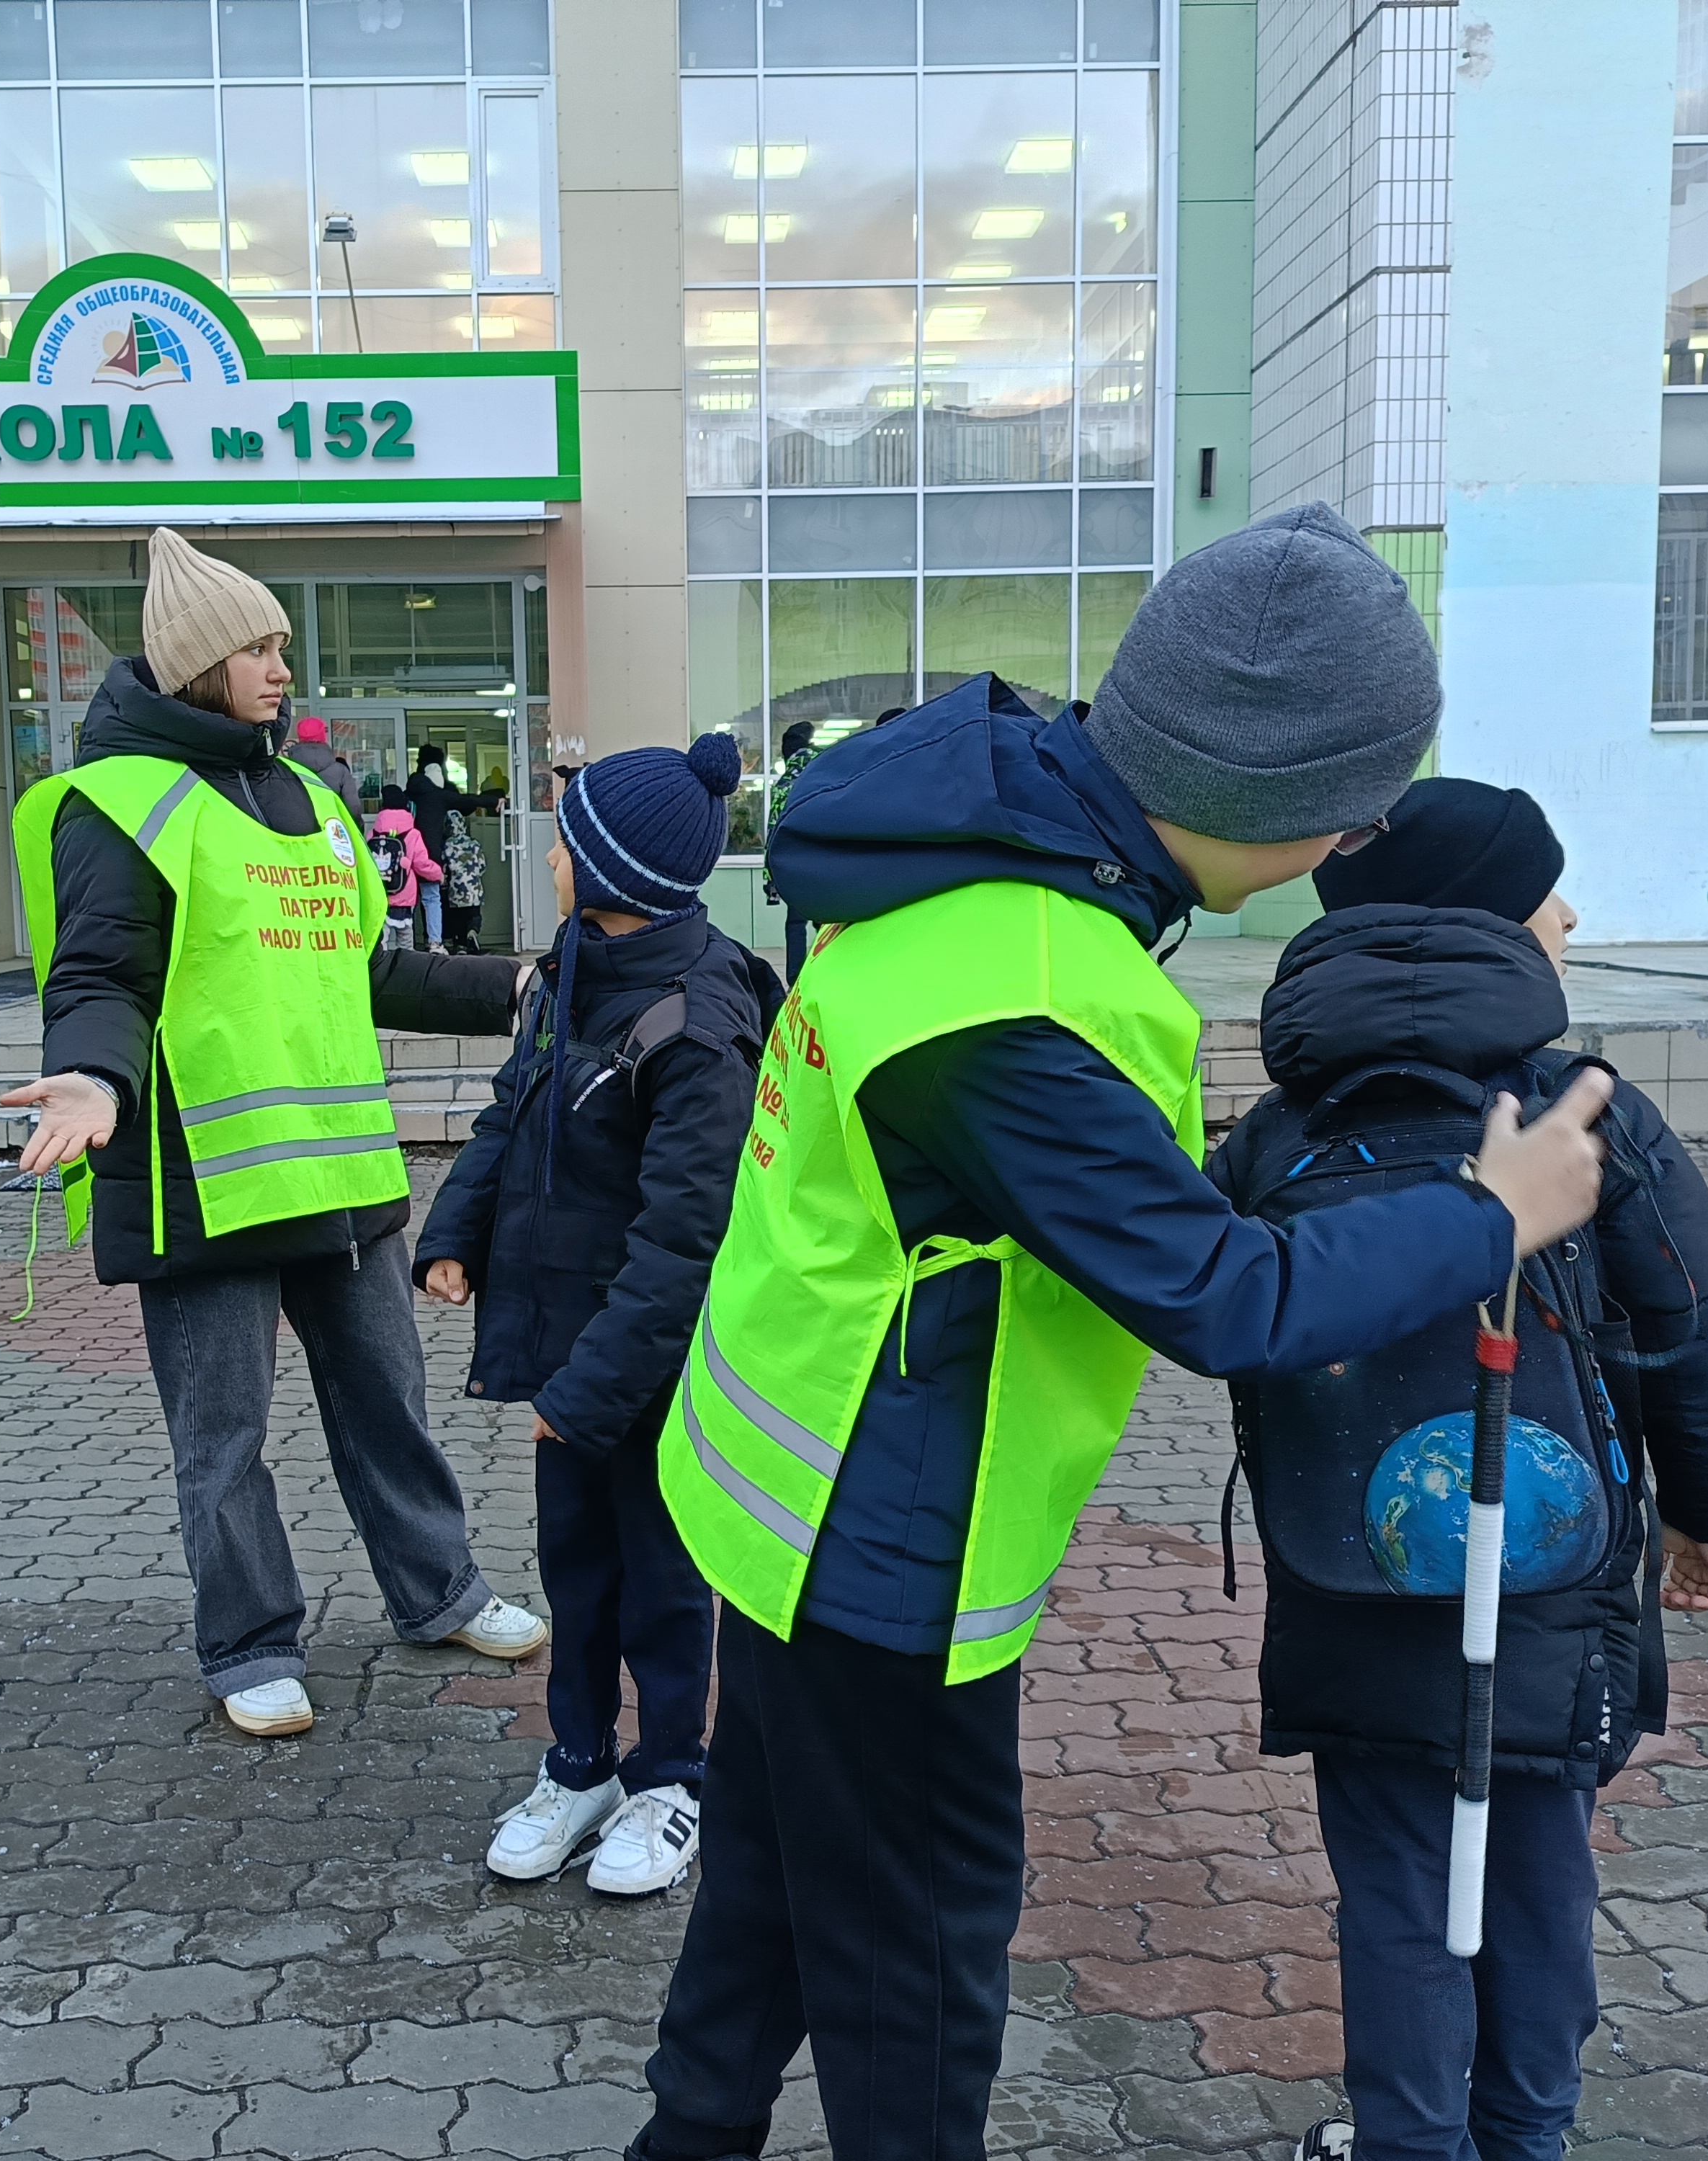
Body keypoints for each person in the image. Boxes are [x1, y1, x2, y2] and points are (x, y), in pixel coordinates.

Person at [626, 504, 1618, 2161]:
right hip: (880, 1551)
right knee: (916, 1967)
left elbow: (1100, 1203)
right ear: (1271, 792)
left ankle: (689, 2134)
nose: (1353, 836)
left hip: (774, 1490)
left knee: (779, 1886)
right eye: (1350, 802)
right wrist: (1489, 1210)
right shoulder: (1025, 989)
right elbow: (1229, 1299)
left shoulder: (969, 870)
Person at [1212, 778, 1708, 2161]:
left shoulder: (1281, 1130)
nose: (1569, 914)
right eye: (1546, 892)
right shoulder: (1586, 1111)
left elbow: (1218, 1310)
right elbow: (1696, 1324)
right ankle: (1524, 2141)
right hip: (1553, 1597)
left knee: (1398, 1889)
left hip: (1345, 1576)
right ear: (1486, 927)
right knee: (1533, 1870)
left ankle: (1410, 2146)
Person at [1, 529, 549, 1741]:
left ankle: (438, 1588)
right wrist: (90, 1079)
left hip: (339, 1173)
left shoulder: (312, 795)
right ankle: (250, 1645)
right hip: (203, 1187)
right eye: (254, 645)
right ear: (195, 663)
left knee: (388, 1404)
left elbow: (364, 969)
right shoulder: (119, 805)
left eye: (281, 644)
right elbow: (97, 975)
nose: (277, 665)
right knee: (224, 1440)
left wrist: (513, 987)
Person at [416, 735, 772, 1896]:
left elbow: (687, 1243)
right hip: (573, 1352)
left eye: (567, 834)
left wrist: (581, 1398)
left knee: (662, 1578)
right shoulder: (573, 971)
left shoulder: (699, 1021)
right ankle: (580, 1766)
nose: (552, 852)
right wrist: (454, 1232)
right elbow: (512, 1114)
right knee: (577, 1573)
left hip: (646, 1373)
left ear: (612, 868)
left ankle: (672, 1778)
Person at [762, 720, 823, 986]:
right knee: (829, 922)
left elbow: (773, 830)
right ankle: (829, 970)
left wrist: (771, 876)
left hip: (794, 864)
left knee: (795, 923)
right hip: (825, 862)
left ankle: (795, 981)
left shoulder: (784, 785)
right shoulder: (824, 773)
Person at [406, 746, 484, 948]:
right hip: (437, 852)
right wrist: (492, 800)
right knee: (439, 899)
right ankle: (443, 940)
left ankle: (413, 941)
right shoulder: (442, 790)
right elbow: (465, 804)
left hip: (409, 852)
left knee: (413, 899)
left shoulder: (411, 792)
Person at [371, 783, 445, 952]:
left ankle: (381, 968)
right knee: (405, 939)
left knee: (381, 938)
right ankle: (406, 967)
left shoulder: (373, 833)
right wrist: (438, 873)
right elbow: (422, 864)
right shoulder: (412, 834)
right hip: (403, 894)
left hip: (381, 894)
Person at [285, 713, 364, 823]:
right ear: (323, 737)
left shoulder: (285, 769)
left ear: (300, 737)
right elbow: (353, 807)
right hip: (332, 831)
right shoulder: (340, 771)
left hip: (297, 832)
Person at [440, 799, 493, 954]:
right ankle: (473, 932)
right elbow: (482, 866)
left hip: (455, 891)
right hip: (474, 889)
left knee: (458, 918)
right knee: (474, 915)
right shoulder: (474, 844)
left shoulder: (447, 845)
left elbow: (444, 868)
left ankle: (462, 944)